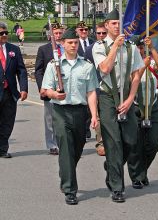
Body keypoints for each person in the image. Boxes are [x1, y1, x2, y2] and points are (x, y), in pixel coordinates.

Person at [41, 27, 98, 205]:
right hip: (60, 111)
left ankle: (65, 171)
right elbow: (45, 89)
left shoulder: (87, 66)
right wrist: (54, 95)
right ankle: (70, 190)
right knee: (65, 148)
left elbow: (91, 92)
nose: (73, 45)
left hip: (80, 112)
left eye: (75, 42)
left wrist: (94, 115)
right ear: (62, 44)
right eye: (70, 43)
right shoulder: (53, 65)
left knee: (78, 147)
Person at [92, 8, 144, 203]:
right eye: (113, 23)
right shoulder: (99, 47)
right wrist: (114, 47)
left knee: (130, 141)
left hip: (127, 97)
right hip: (107, 97)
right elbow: (104, 68)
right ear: (106, 26)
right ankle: (117, 187)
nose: (116, 26)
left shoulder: (130, 47)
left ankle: (111, 168)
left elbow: (137, 74)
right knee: (113, 143)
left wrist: (131, 98)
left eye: (118, 23)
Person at [127, 36, 158, 188]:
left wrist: (153, 48)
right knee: (136, 145)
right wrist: (142, 66)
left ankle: (143, 170)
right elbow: (132, 80)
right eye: (137, 47)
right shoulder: (128, 65)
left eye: (142, 47)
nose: (140, 50)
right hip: (135, 107)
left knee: (154, 143)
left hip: (152, 106)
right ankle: (137, 176)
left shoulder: (149, 62)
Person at [35, 22, 65, 155]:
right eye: (55, 33)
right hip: (50, 89)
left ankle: (65, 143)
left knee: (66, 118)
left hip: (66, 88)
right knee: (50, 119)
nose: (58, 36)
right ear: (51, 35)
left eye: (60, 33)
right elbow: (38, 70)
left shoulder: (69, 47)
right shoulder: (43, 49)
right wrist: (43, 87)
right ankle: (52, 144)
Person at [0, 21, 28, 158]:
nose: (4, 35)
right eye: (1, 33)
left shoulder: (14, 50)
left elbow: (21, 70)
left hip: (10, 92)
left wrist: (23, 88)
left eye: (6, 32)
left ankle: (3, 149)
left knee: (8, 121)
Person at [85, 21, 107, 156]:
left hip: (112, 87)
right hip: (96, 86)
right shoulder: (90, 49)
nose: (101, 35)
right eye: (98, 33)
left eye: (104, 33)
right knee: (98, 117)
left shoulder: (114, 46)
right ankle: (101, 142)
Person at [75, 21, 94, 140]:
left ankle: (86, 128)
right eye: (81, 30)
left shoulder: (93, 43)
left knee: (90, 105)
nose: (84, 32)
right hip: (80, 76)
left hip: (91, 76)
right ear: (77, 31)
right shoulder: (74, 43)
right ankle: (82, 129)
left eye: (86, 30)